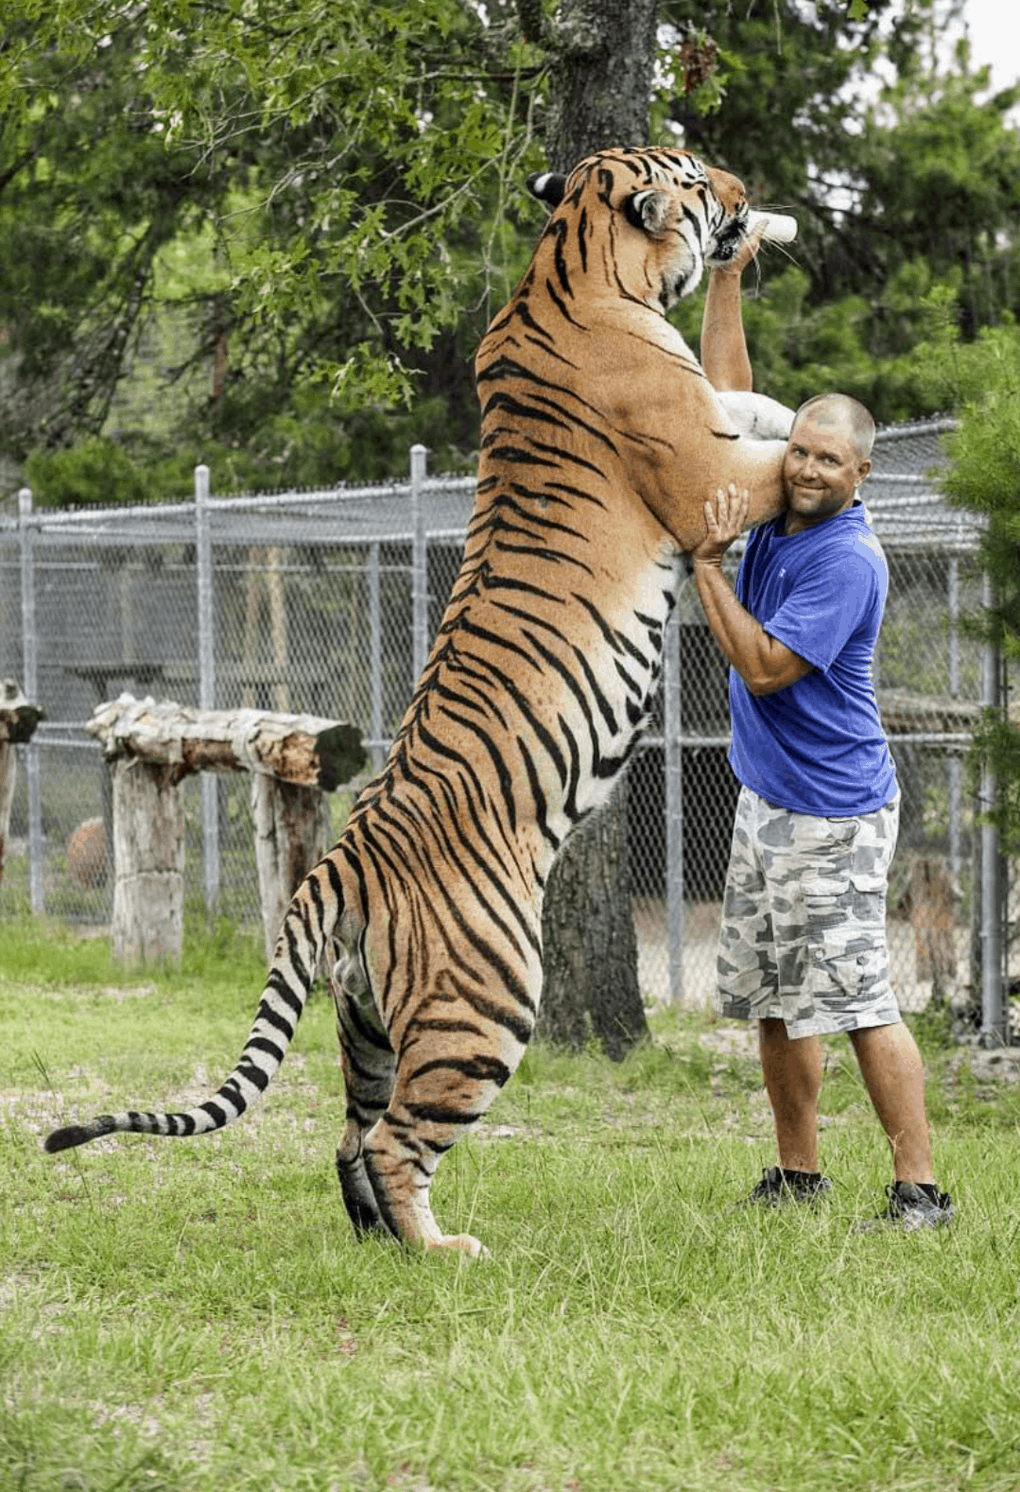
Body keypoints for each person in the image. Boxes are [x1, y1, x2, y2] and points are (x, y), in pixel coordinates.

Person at [691, 228, 953, 1229]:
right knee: (771, 994)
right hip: (769, 803)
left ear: (862, 473)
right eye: (798, 448)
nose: (804, 467)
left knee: (855, 1003)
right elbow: (725, 401)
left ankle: (920, 1188)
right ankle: (798, 1173)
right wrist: (726, 274)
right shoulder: (775, 499)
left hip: (836, 815)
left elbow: (763, 669)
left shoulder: (847, 560)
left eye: (827, 459)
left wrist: (704, 564)